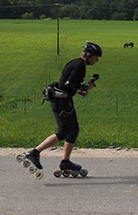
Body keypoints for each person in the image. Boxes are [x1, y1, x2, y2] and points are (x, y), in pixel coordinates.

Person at [18, 41, 102, 179]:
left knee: (74, 130)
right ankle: (34, 152)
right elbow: (70, 85)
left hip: (64, 102)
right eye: (96, 56)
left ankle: (65, 162)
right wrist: (84, 89)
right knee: (64, 132)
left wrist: (85, 87)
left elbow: (71, 85)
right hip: (62, 103)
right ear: (88, 55)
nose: (97, 60)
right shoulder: (80, 65)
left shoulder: (77, 64)